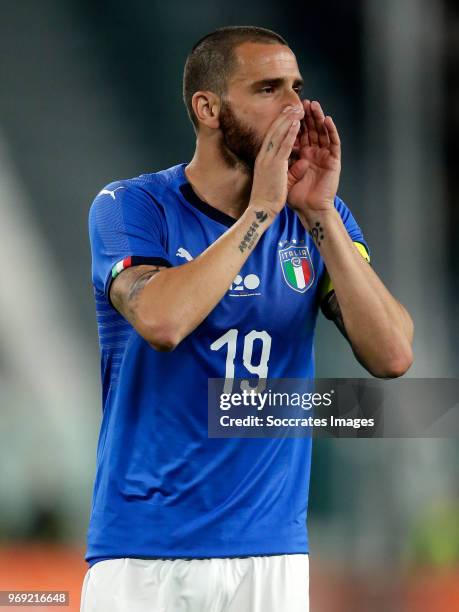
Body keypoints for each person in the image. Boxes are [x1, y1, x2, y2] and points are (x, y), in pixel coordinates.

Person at [80, 25, 414, 612]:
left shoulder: (318, 220)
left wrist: (319, 216)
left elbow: (391, 354)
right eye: (268, 89)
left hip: (272, 555)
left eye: (296, 86)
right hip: (142, 553)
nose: (295, 106)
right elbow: (161, 320)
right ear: (207, 108)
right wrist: (261, 211)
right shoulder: (132, 206)